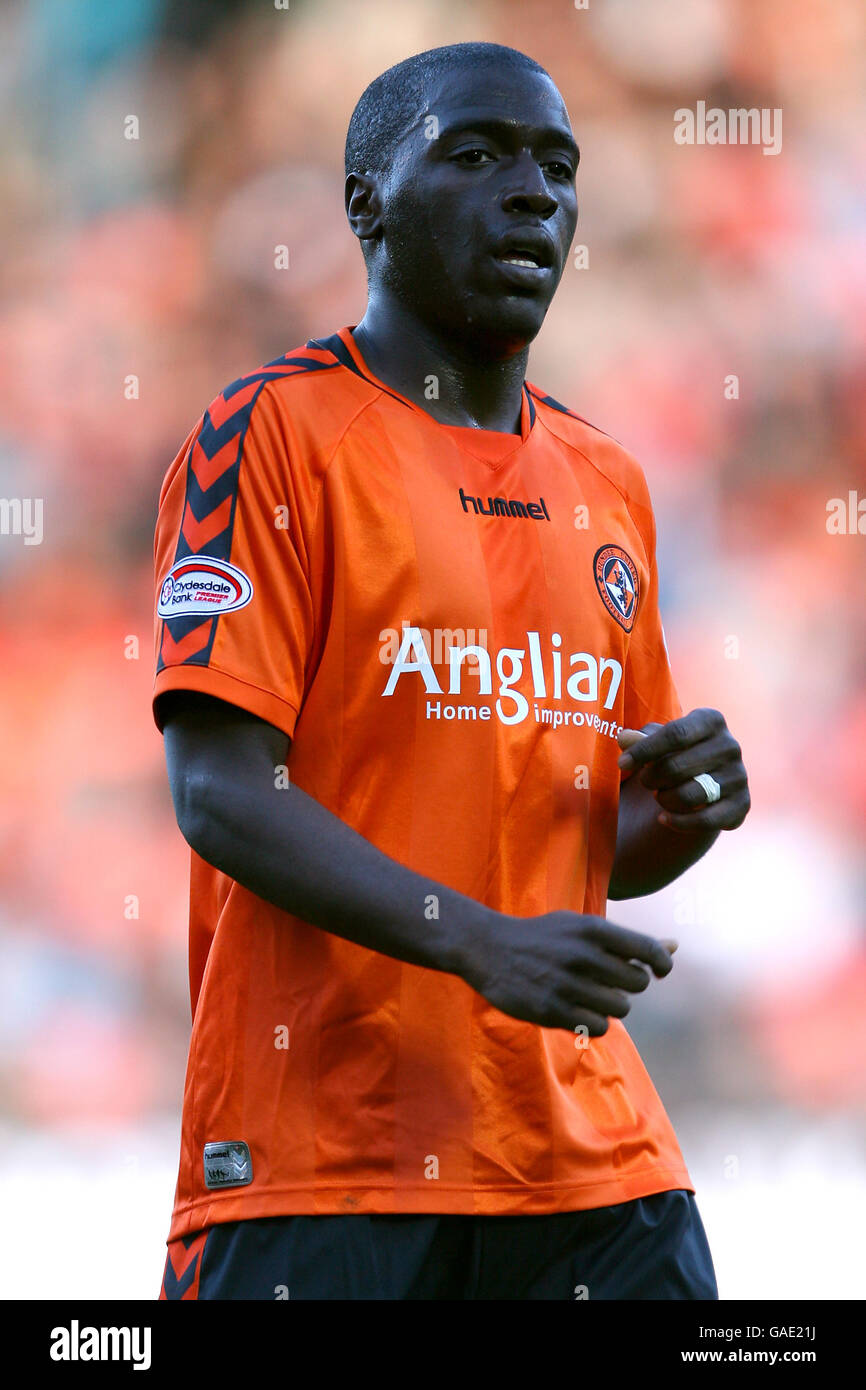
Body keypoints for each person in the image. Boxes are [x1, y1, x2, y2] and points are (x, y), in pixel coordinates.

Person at [154, 41, 750, 1301]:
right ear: (367, 202)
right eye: (476, 155)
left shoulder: (607, 482)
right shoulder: (272, 434)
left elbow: (593, 838)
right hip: (332, 1162)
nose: (533, 191)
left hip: (595, 1166)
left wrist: (685, 808)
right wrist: (475, 941)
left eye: (557, 167)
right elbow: (218, 790)